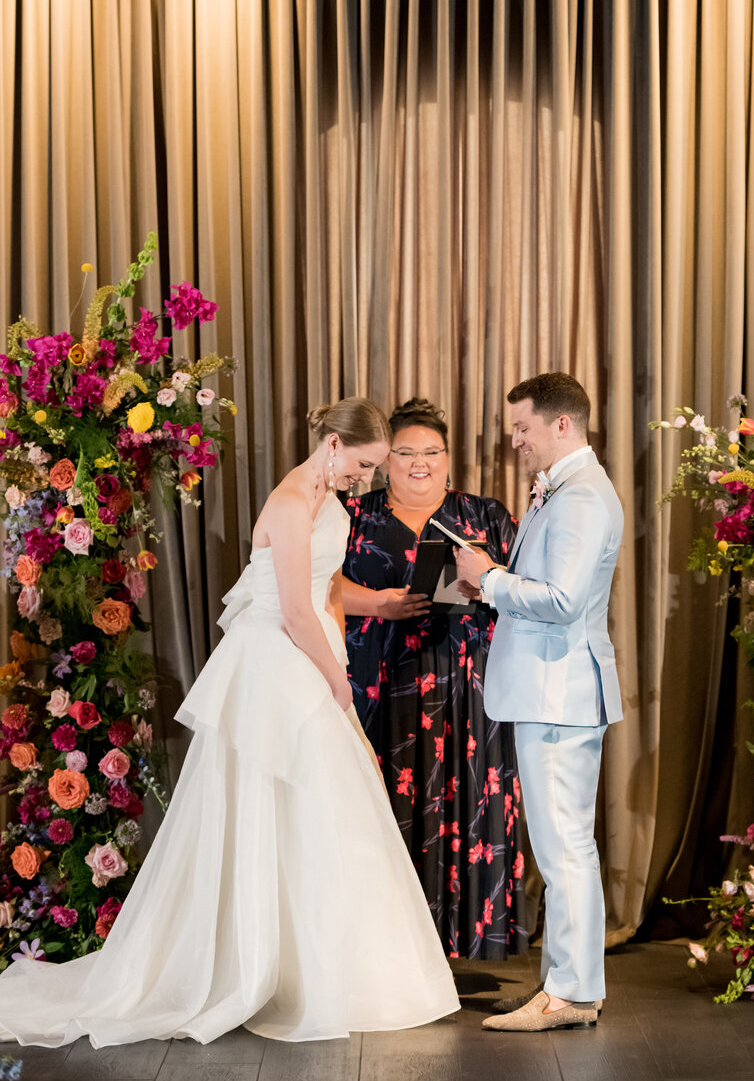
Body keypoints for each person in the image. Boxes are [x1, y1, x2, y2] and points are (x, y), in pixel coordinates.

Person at [0, 397, 460, 1047]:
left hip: (301, 653)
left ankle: (321, 968)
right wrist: (339, 683)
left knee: (322, 810)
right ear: (332, 443)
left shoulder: (328, 498)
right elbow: (297, 611)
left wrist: (375, 604)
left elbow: (325, 586)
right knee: (289, 803)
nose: (365, 478)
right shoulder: (294, 501)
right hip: (281, 661)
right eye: (363, 464)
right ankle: (265, 963)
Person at [455, 373, 623, 1032]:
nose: (515, 440)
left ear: (562, 424)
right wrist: (492, 582)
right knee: (564, 847)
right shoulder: (567, 488)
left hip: (560, 693)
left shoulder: (581, 497)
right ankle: (570, 987)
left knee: (564, 850)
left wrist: (490, 579)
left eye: (522, 427)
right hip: (556, 691)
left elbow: (561, 602)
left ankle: (571, 994)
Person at [340, 398, 528, 960]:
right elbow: (312, 586)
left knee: (472, 803)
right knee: (381, 808)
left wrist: (487, 583)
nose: (419, 463)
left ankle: (466, 943)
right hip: (380, 683)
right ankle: (387, 952)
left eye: (432, 452)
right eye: (405, 452)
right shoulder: (353, 513)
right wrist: (380, 603)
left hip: (471, 688)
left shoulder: (485, 515)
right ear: (384, 458)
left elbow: (526, 589)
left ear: (448, 457)